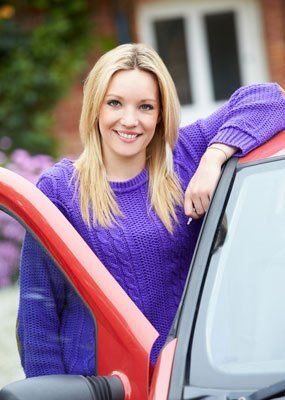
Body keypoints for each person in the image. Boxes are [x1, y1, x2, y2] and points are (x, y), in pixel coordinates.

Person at [17, 43, 285, 378]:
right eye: (115, 103)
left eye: (145, 107)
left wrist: (214, 157)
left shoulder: (186, 155)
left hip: (183, 387)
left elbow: (270, 99)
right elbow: (38, 311)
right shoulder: (60, 189)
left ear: (160, 115)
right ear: (96, 107)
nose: (130, 121)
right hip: (101, 399)